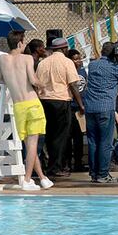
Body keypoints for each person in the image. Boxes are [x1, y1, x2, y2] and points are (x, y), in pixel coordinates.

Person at [0, 30, 53, 191]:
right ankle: (27, 180)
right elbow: (33, 80)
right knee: (33, 145)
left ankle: (42, 178)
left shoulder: (2, 59)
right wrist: (44, 87)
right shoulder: (27, 58)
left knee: (29, 144)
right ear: (21, 43)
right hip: (32, 103)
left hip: (18, 106)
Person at [81, 41, 118, 183]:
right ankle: (103, 174)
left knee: (93, 141)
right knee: (106, 142)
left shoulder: (93, 64)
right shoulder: (115, 68)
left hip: (90, 108)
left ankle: (94, 173)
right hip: (105, 108)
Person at [36, 38, 85, 179]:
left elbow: (37, 83)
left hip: (45, 101)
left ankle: (49, 165)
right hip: (61, 101)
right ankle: (55, 167)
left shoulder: (42, 63)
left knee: (50, 135)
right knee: (61, 136)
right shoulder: (67, 62)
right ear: (64, 49)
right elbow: (73, 85)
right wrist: (81, 104)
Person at [66, 50, 88, 173]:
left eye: (80, 59)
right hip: (72, 107)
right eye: (75, 59)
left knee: (79, 137)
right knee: (69, 137)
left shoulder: (82, 71)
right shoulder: (69, 71)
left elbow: (85, 86)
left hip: (81, 109)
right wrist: (80, 105)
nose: (78, 61)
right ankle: (68, 162)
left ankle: (78, 162)